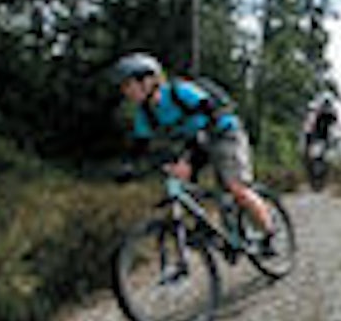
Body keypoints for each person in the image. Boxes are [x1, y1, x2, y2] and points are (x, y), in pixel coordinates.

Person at [112, 52, 276, 244]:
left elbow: (212, 112)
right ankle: (206, 228)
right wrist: (128, 168)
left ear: (148, 81)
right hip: (196, 143)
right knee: (181, 183)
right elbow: (140, 145)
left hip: (224, 133)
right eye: (123, 86)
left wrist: (188, 159)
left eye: (128, 84)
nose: (125, 91)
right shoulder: (145, 113)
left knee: (236, 188)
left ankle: (269, 232)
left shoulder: (179, 91)